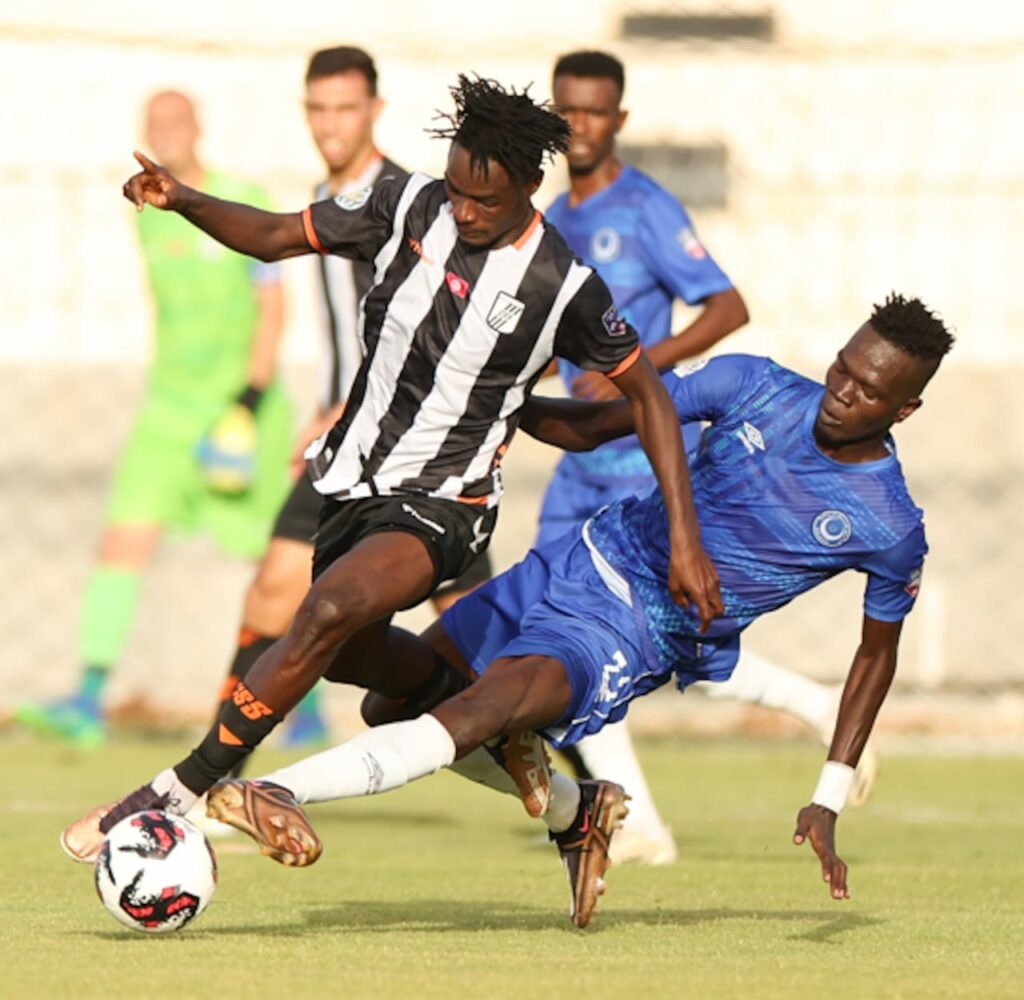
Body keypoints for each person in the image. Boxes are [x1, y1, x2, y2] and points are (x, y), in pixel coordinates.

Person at [61, 75, 722, 864]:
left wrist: (685, 539)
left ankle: (176, 792)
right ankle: (556, 785)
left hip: (446, 502)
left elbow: (648, 399)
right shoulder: (406, 204)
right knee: (354, 661)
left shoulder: (563, 285)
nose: (463, 211)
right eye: (456, 190)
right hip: (351, 481)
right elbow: (276, 236)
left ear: (528, 187)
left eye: (484, 201)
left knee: (323, 610)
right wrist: (185, 199)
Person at [196, 294, 954, 930]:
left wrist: (828, 796)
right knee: (383, 700)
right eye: (841, 369)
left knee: (482, 710)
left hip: (631, 629)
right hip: (575, 559)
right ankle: (576, 809)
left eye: (867, 391)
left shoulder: (888, 524)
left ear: (907, 408)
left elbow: (875, 657)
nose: (840, 393)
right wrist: (497, 397)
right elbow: (593, 427)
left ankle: (280, 791)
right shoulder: (754, 384)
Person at [540, 51, 877, 865]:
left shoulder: (646, 208)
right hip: (578, 462)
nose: (579, 125)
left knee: (654, 638)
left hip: (641, 458)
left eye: (594, 111)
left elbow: (728, 306)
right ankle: (638, 822)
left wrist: (636, 367)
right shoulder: (551, 214)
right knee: (561, 630)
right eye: (567, 110)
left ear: (619, 119)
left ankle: (806, 710)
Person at [206, 46, 491, 757]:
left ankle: (585, 785)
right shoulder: (326, 199)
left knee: (477, 641)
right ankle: (213, 782)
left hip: (416, 450)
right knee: (273, 590)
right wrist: (328, 408)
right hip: (345, 443)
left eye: (345, 108)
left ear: (375, 111)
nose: (330, 124)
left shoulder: (409, 204)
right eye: (319, 108)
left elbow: (434, 327)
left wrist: (351, 404)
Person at [16, 91, 292, 747]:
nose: (165, 133)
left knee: (276, 561)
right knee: (122, 540)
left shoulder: (242, 197)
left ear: (199, 127)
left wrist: (248, 401)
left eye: (175, 121)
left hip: (241, 408)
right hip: (168, 410)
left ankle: (299, 706)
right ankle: (88, 699)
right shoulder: (147, 213)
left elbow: (273, 304)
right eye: (153, 124)